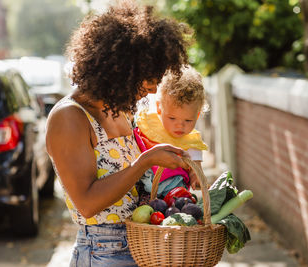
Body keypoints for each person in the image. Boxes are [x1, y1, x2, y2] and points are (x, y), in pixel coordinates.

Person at [45, 1, 192, 266]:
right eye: (147, 81)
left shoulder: (120, 111)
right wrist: (146, 161)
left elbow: (132, 187)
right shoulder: (69, 117)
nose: (151, 90)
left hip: (141, 244)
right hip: (104, 251)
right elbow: (87, 203)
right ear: (120, 71)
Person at [134, 65, 208, 199]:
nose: (180, 125)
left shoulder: (192, 142)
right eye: (172, 118)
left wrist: (196, 178)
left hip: (175, 192)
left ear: (197, 116)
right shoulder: (150, 125)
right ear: (159, 109)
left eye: (188, 120)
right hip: (143, 186)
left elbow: (196, 169)